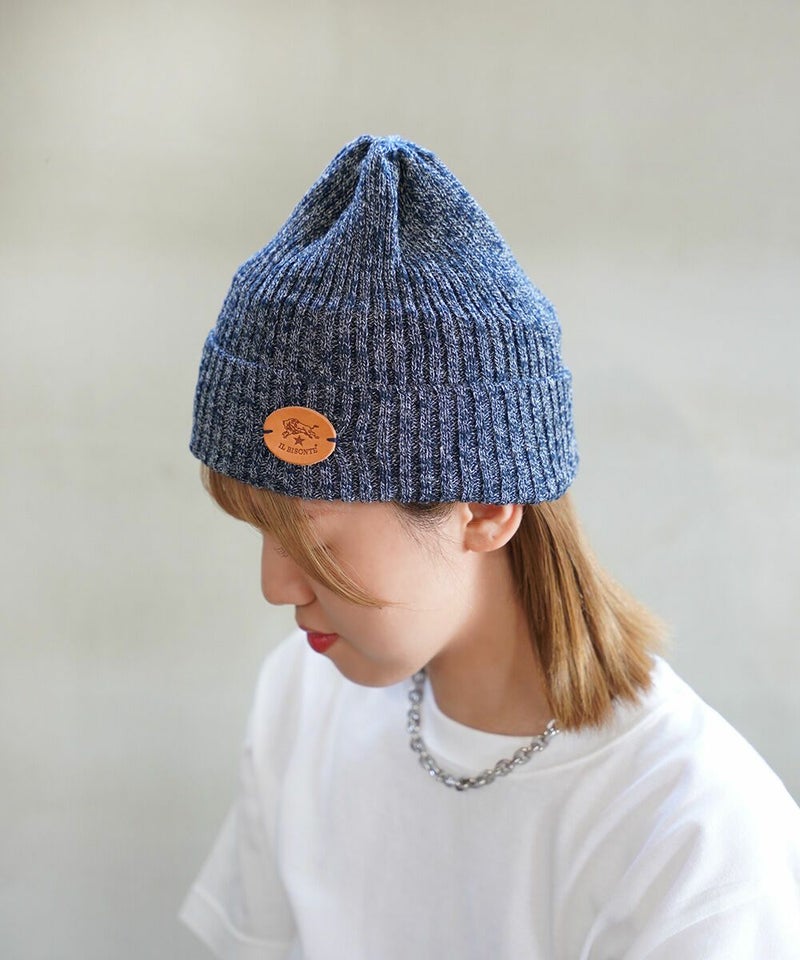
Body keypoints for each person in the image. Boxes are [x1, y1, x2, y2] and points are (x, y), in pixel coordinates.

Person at [178, 134, 800, 959]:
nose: (275, 585)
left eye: (311, 539)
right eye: (260, 529)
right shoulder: (304, 699)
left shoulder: (694, 845)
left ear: (486, 509)